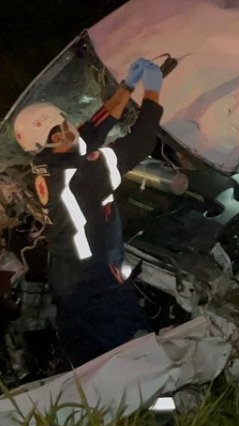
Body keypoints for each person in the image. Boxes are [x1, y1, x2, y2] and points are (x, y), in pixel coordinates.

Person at [12, 58, 166, 368]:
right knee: (133, 347)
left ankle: (89, 392)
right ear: (57, 137)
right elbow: (139, 144)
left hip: (64, 273)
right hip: (95, 278)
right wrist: (153, 93)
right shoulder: (83, 174)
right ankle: (154, 396)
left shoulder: (43, 166)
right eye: (64, 125)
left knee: (85, 356)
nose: (71, 127)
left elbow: (91, 131)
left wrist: (126, 88)